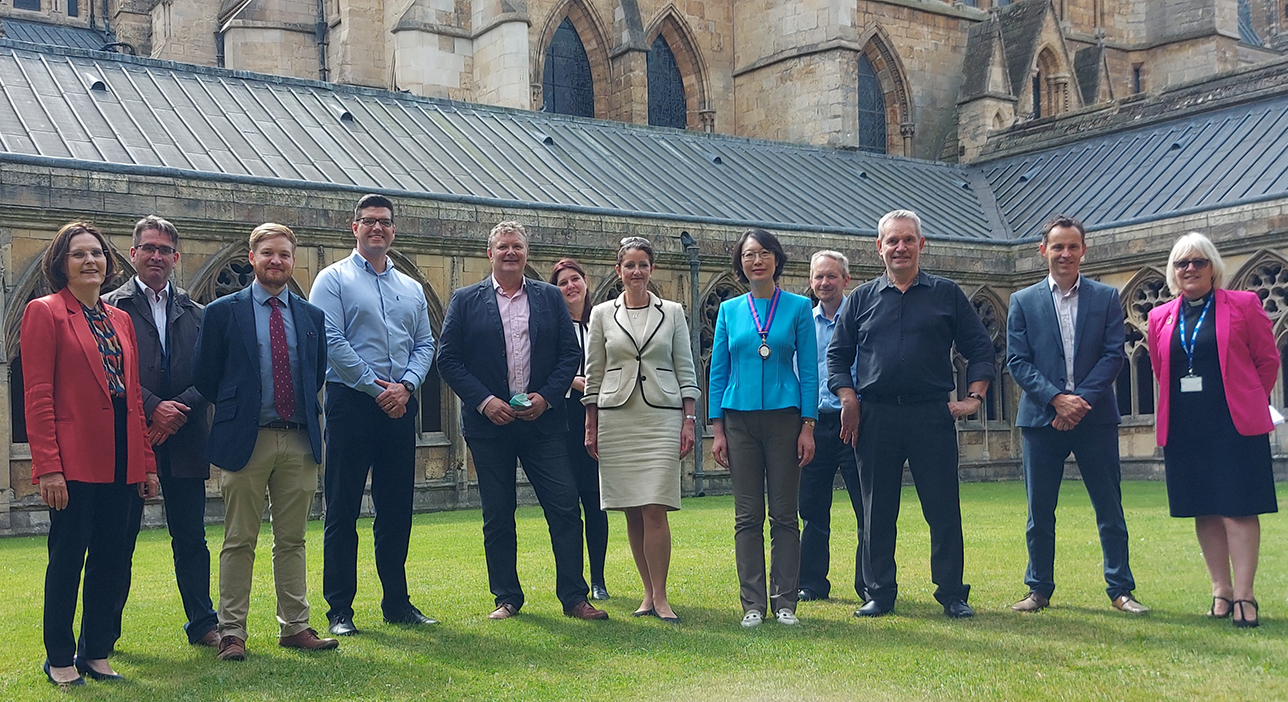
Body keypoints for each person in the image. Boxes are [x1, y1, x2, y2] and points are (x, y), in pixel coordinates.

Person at [437, 221, 608, 621]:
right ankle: (507, 597)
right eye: (503, 247)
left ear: (526, 253)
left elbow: (570, 355)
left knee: (565, 507)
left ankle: (574, 597)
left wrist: (547, 398)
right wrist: (485, 402)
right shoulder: (464, 300)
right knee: (498, 514)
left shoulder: (550, 298)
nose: (510, 253)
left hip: (542, 424)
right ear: (489, 253)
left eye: (517, 247)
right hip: (489, 425)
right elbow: (448, 360)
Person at [828, 209, 993, 619]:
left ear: (922, 244)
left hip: (930, 415)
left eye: (907, 240)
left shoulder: (947, 294)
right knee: (876, 509)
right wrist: (848, 398)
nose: (899, 247)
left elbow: (980, 347)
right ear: (878, 247)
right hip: (876, 416)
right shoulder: (862, 299)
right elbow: (837, 356)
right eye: (892, 240)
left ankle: (952, 593)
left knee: (942, 507)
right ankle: (879, 593)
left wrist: (973, 397)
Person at [192, 223, 336, 660]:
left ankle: (295, 626)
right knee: (239, 539)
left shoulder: (311, 316)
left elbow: (317, 374)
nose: (277, 261)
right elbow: (206, 377)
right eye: (268, 253)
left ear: (293, 262)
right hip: (246, 439)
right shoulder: (222, 312)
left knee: (292, 540)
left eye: (285, 255)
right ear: (252, 257)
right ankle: (232, 632)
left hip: (299, 441)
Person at [24, 222, 159, 686]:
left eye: (97, 253)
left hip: (123, 461)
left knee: (113, 559)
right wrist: (48, 468)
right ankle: (59, 657)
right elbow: (38, 395)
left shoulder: (118, 318)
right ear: (61, 263)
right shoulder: (44, 313)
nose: (90, 261)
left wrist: (147, 462)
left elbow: (134, 399)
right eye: (78, 254)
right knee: (67, 560)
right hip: (74, 461)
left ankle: (96, 652)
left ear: (109, 261)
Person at [310, 195, 438, 636]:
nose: (377, 228)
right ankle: (340, 611)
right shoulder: (333, 279)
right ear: (355, 227)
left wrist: (406, 386)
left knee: (396, 509)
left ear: (393, 230)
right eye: (369, 222)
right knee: (342, 508)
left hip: (400, 404)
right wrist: (374, 386)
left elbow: (426, 344)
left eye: (384, 222)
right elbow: (329, 339)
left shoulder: (412, 288)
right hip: (351, 402)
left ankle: (397, 603)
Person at [1006, 216, 1147, 615]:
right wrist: (1055, 399)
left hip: (1094, 417)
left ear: (1084, 250)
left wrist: (1078, 401)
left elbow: (1113, 355)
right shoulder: (1023, 301)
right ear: (1043, 251)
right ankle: (1038, 589)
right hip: (1041, 420)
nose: (1065, 254)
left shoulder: (1105, 297)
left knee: (1109, 508)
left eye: (1072, 247)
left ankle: (1120, 590)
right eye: (1057, 247)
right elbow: (1017, 361)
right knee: (1039, 513)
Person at [1147, 232, 1279, 628]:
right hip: (1186, 426)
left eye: (1198, 262)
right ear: (1173, 272)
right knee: (1203, 509)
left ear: (1212, 267)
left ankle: (1245, 596)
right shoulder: (1159, 317)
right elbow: (1159, 368)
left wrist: (1248, 397)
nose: (1190, 269)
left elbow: (1268, 360)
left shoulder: (1243, 304)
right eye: (1182, 263)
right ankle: (1220, 591)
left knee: (1238, 509)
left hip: (1233, 425)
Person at [101, 216, 218, 651]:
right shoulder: (109, 308)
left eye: (165, 249)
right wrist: (153, 408)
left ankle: (203, 624)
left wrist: (177, 410)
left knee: (191, 537)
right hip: (133, 438)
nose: (156, 256)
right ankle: (106, 631)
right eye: (148, 248)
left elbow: (212, 374)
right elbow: (110, 370)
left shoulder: (196, 312)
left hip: (185, 438)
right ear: (132, 254)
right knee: (119, 538)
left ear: (176, 257)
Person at [583, 237, 700, 623]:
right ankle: (646, 594)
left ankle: (663, 596)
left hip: (662, 417)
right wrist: (591, 423)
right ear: (618, 271)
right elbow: (595, 373)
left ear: (652, 270)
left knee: (655, 507)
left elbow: (686, 367)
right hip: (617, 416)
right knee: (632, 509)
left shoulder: (673, 312)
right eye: (629, 265)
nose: (636, 272)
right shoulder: (601, 314)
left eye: (643, 265)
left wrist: (689, 419)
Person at [709, 228, 817, 628]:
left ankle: (785, 600)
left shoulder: (798, 308)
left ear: (776, 259)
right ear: (740, 263)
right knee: (747, 515)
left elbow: (808, 370)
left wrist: (808, 425)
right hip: (738, 421)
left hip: (785, 420)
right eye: (749, 254)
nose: (757, 260)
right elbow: (718, 371)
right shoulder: (729, 310)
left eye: (764, 253)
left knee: (786, 514)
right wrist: (717, 428)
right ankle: (753, 603)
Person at [797, 251, 864, 603]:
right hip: (815, 424)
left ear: (846, 280)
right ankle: (811, 584)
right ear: (811, 281)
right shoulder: (803, 324)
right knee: (811, 509)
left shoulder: (863, 318)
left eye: (832, 277)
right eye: (819, 277)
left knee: (867, 509)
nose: (824, 283)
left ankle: (869, 584)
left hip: (856, 423)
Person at [549, 258, 611, 601]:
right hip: (563, 420)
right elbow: (542, 368)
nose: (570, 286)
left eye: (575, 279)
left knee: (595, 502)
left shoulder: (601, 323)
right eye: (562, 282)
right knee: (566, 505)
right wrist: (575, 381)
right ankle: (573, 579)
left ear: (586, 282)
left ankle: (599, 578)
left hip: (601, 419)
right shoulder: (551, 327)